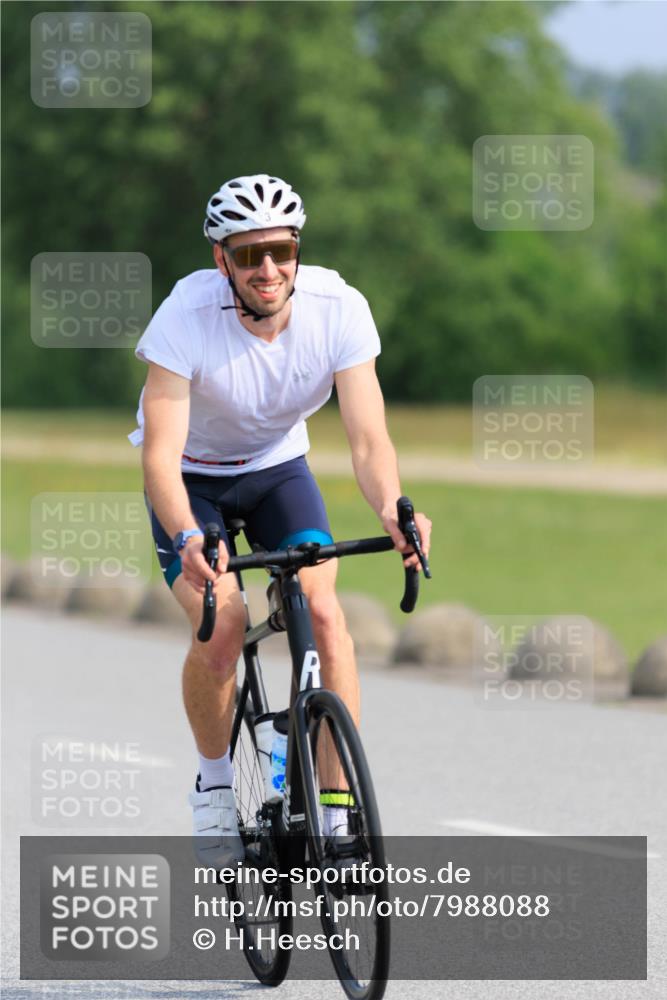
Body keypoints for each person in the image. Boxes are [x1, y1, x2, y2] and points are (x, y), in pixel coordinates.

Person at [129, 173, 431, 865]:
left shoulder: (338, 307)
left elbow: (367, 439)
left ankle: (333, 811)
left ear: (297, 250)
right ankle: (211, 792)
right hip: (192, 482)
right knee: (225, 622)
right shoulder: (184, 316)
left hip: (275, 471)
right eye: (247, 255)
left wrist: (392, 509)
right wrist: (186, 535)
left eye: (281, 251)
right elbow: (160, 459)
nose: (268, 269)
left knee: (326, 613)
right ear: (220, 261)